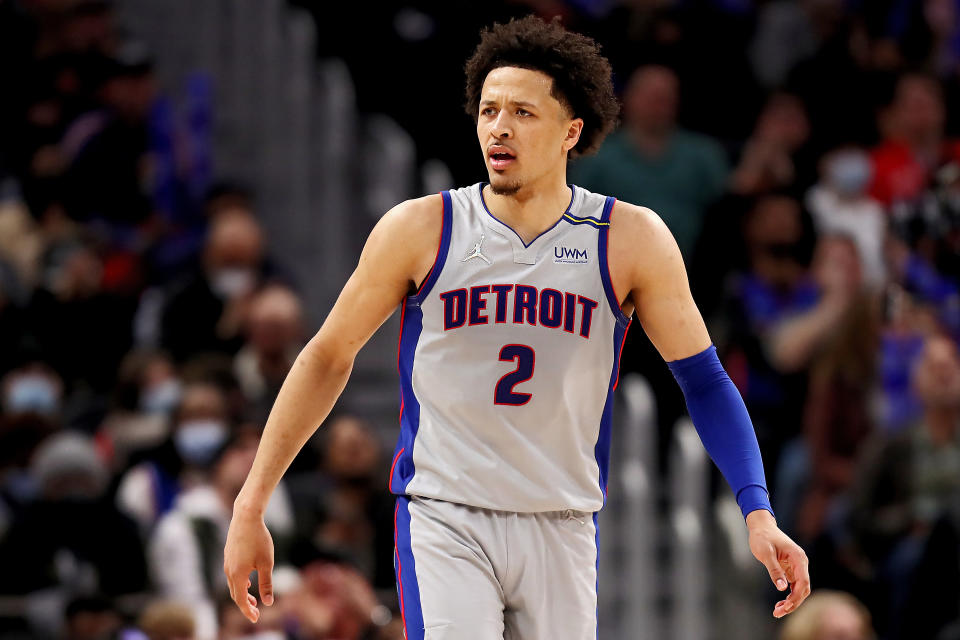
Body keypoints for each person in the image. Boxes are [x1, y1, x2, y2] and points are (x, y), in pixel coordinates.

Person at [224, 16, 810, 639]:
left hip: (562, 519)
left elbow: (706, 381)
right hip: (446, 514)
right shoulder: (422, 228)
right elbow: (326, 357)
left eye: (523, 113)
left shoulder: (628, 239)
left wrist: (757, 510)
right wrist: (252, 499)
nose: (499, 126)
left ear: (571, 132)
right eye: (488, 110)